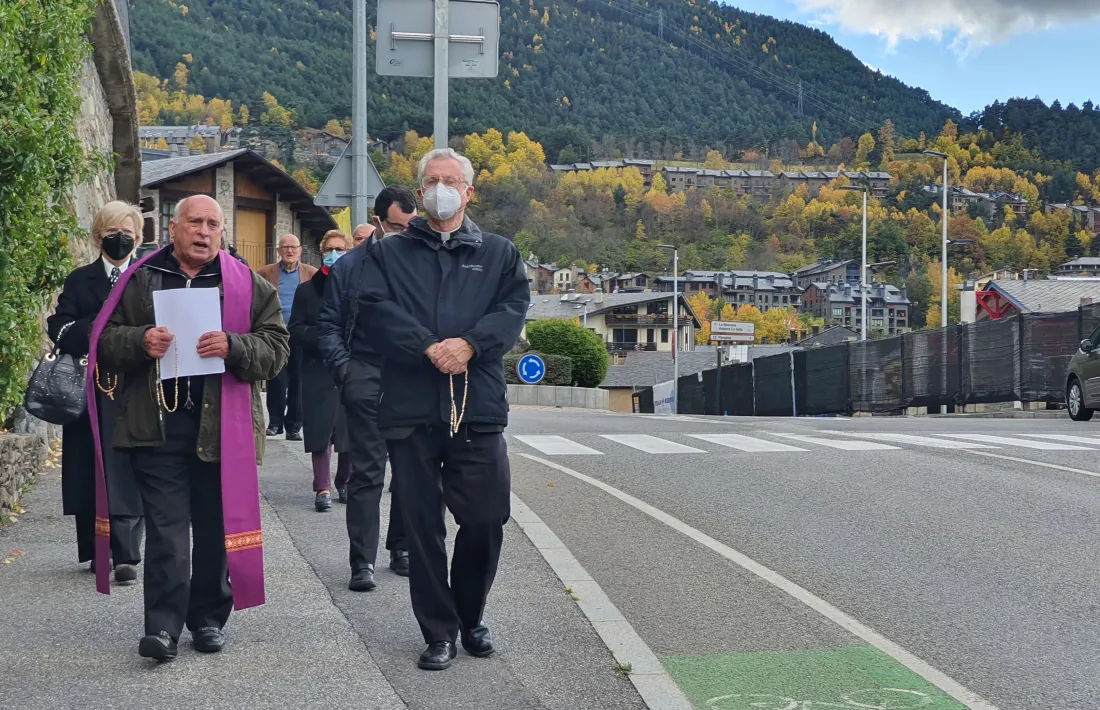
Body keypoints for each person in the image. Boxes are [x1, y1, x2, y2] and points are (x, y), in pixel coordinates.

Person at [345, 150, 529, 671]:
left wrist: (469, 344)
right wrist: (428, 346)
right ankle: (439, 631)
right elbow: (375, 311)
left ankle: (470, 614)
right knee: (421, 526)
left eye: (452, 181)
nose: (441, 188)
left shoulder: (499, 253)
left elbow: (512, 311)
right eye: (432, 181)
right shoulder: (390, 253)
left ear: (469, 192)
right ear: (420, 192)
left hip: (478, 405)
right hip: (410, 407)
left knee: (487, 519)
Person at [92, 194, 289, 661]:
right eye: (194, 222)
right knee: (166, 533)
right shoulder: (139, 280)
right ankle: (162, 628)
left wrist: (236, 346)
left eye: (212, 224)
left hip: (224, 431)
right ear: (173, 229)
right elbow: (103, 342)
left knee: (216, 529)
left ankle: (207, 618)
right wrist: (140, 340)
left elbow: (277, 349)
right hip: (157, 428)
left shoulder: (247, 284)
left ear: (222, 232)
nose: (203, 232)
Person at [317, 186, 418, 592]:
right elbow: (328, 326)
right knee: (367, 475)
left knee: (412, 473)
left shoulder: (420, 262)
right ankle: (363, 560)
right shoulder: (349, 267)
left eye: (410, 226)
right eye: (397, 226)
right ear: (378, 222)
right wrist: (346, 371)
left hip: (413, 381)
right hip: (365, 378)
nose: (404, 233)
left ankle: (403, 547)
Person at [46, 201, 146, 586]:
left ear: (138, 238)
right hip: (89, 387)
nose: (120, 239)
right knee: (88, 466)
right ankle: (94, 547)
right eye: (111, 232)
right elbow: (61, 327)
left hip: (134, 386)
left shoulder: (144, 276)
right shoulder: (80, 279)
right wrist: (102, 317)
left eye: (127, 233)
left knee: (131, 464)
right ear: (98, 235)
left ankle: (127, 552)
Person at [288, 230, 353, 512]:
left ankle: (345, 481)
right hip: (317, 367)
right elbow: (295, 330)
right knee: (320, 431)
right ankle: (322, 487)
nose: (334, 253)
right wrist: (324, 336)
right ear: (321, 251)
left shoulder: (357, 287)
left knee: (349, 430)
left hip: (350, 367)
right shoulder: (306, 290)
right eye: (329, 248)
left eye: (340, 248)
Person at [258, 234, 316, 440]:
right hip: (275, 335)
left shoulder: (312, 274)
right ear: (278, 250)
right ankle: (275, 423)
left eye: (293, 247)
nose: (290, 251)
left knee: (298, 381)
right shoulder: (265, 273)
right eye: (285, 247)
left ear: (300, 250)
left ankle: (294, 426)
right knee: (276, 379)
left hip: (301, 335)